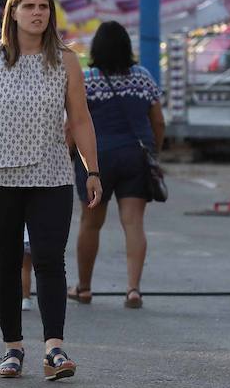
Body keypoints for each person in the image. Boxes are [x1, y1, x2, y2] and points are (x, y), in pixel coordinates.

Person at [0, 0, 102, 381]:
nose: (37, 13)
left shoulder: (66, 60)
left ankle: (54, 348)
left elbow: (80, 118)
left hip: (51, 175)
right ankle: (12, 347)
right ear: (13, 12)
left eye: (44, 7)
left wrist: (92, 169)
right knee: (4, 262)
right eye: (29, 6)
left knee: (50, 259)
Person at [69, 21, 166, 310]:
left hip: (95, 160)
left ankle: (84, 288)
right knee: (133, 223)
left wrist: (67, 153)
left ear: (96, 50)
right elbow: (158, 121)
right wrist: (153, 152)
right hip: (135, 156)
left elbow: (73, 124)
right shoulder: (143, 78)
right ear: (127, 47)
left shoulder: (86, 80)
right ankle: (133, 290)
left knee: (91, 223)